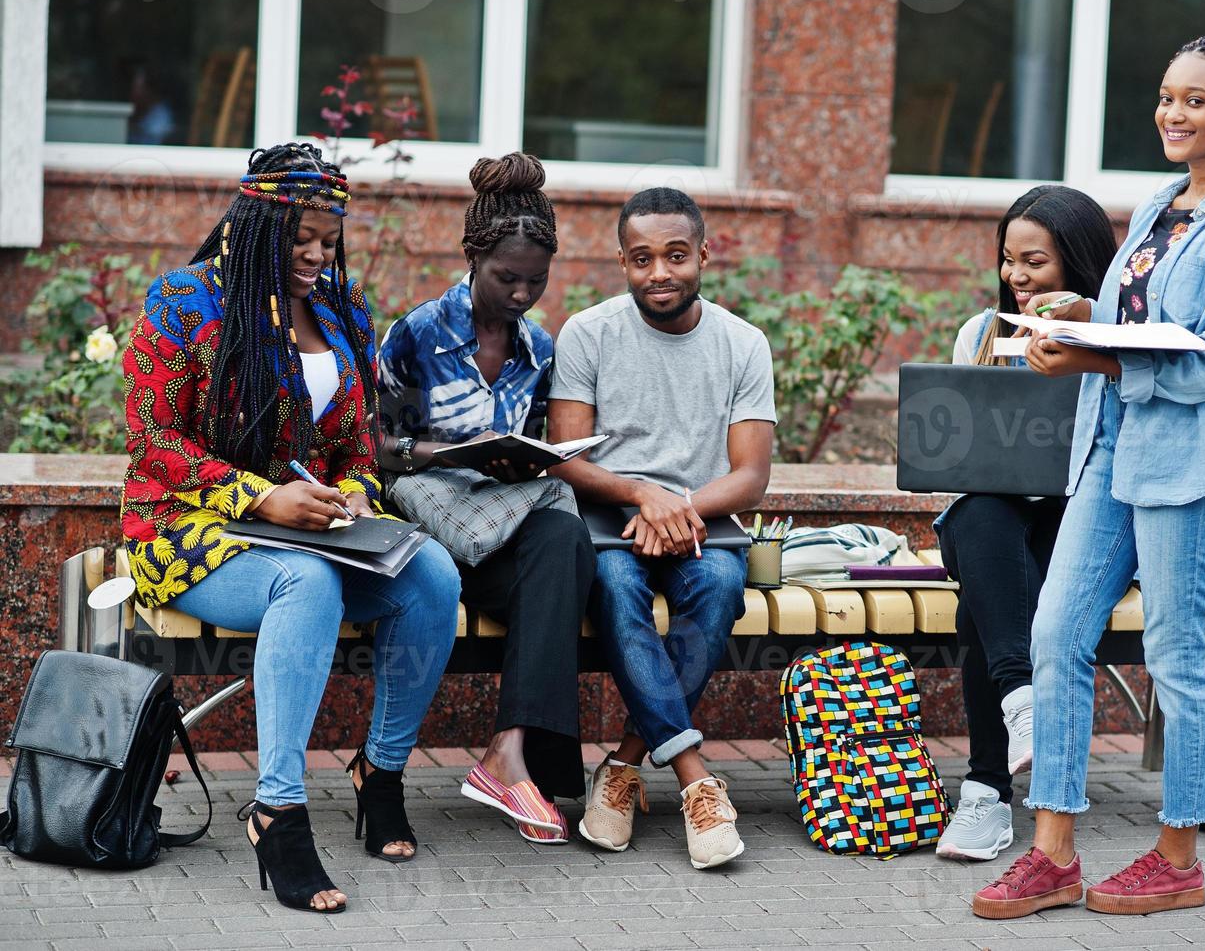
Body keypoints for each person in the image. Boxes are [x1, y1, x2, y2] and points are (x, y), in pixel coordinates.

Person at [971, 35, 1205, 919]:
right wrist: (1084, 313)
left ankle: (1178, 856)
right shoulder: (1162, 204)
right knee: (1054, 634)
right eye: (1164, 96)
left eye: (1194, 100)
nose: (1172, 113)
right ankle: (1053, 853)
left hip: (1188, 465)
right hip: (1110, 453)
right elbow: (1135, 315)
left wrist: (1093, 361)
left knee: (1177, 661)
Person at [120, 143, 462, 913]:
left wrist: (353, 491)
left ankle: (381, 771)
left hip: (307, 527)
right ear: (255, 227)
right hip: (186, 528)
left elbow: (358, 444)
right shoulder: (185, 301)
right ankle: (277, 808)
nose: (316, 254)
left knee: (432, 574)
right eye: (300, 237)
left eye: (328, 238)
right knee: (303, 582)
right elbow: (152, 439)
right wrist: (255, 497)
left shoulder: (341, 312)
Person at [546, 188, 776, 870]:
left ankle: (621, 765)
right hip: (608, 524)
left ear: (703, 254)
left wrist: (678, 509)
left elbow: (750, 475)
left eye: (675, 256)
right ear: (622, 261)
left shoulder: (742, 343)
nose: (659, 273)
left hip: (704, 525)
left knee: (717, 587)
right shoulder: (588, 332)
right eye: (642, 258)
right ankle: (694, 779)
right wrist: (644, 497)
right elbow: (567, 460)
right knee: (615, 588)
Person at [376, 152, 594, 845]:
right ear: (472, 258)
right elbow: (378, 450)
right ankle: (548, 773)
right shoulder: (417, 336)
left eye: (537, 280)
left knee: (564, 542)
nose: (523, 294)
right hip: (432, 537)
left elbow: (535, 450)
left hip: (501, 530)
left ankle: (508, 752)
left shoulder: (539, 350)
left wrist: (521, 460)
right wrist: (444, 455)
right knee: (560, 561)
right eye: (508, 278)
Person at [933, 186, 1117, 862]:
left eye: (1033, 262)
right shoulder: (979, 333)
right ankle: (1022, 698)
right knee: (981, 513)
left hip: (1078, 524)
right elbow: (960, 458)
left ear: (1075, 263)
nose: (1015, 275)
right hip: (989, 519)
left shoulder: (1111, 341)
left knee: (983, 605)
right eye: (1008, 260)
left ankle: (984, 794)